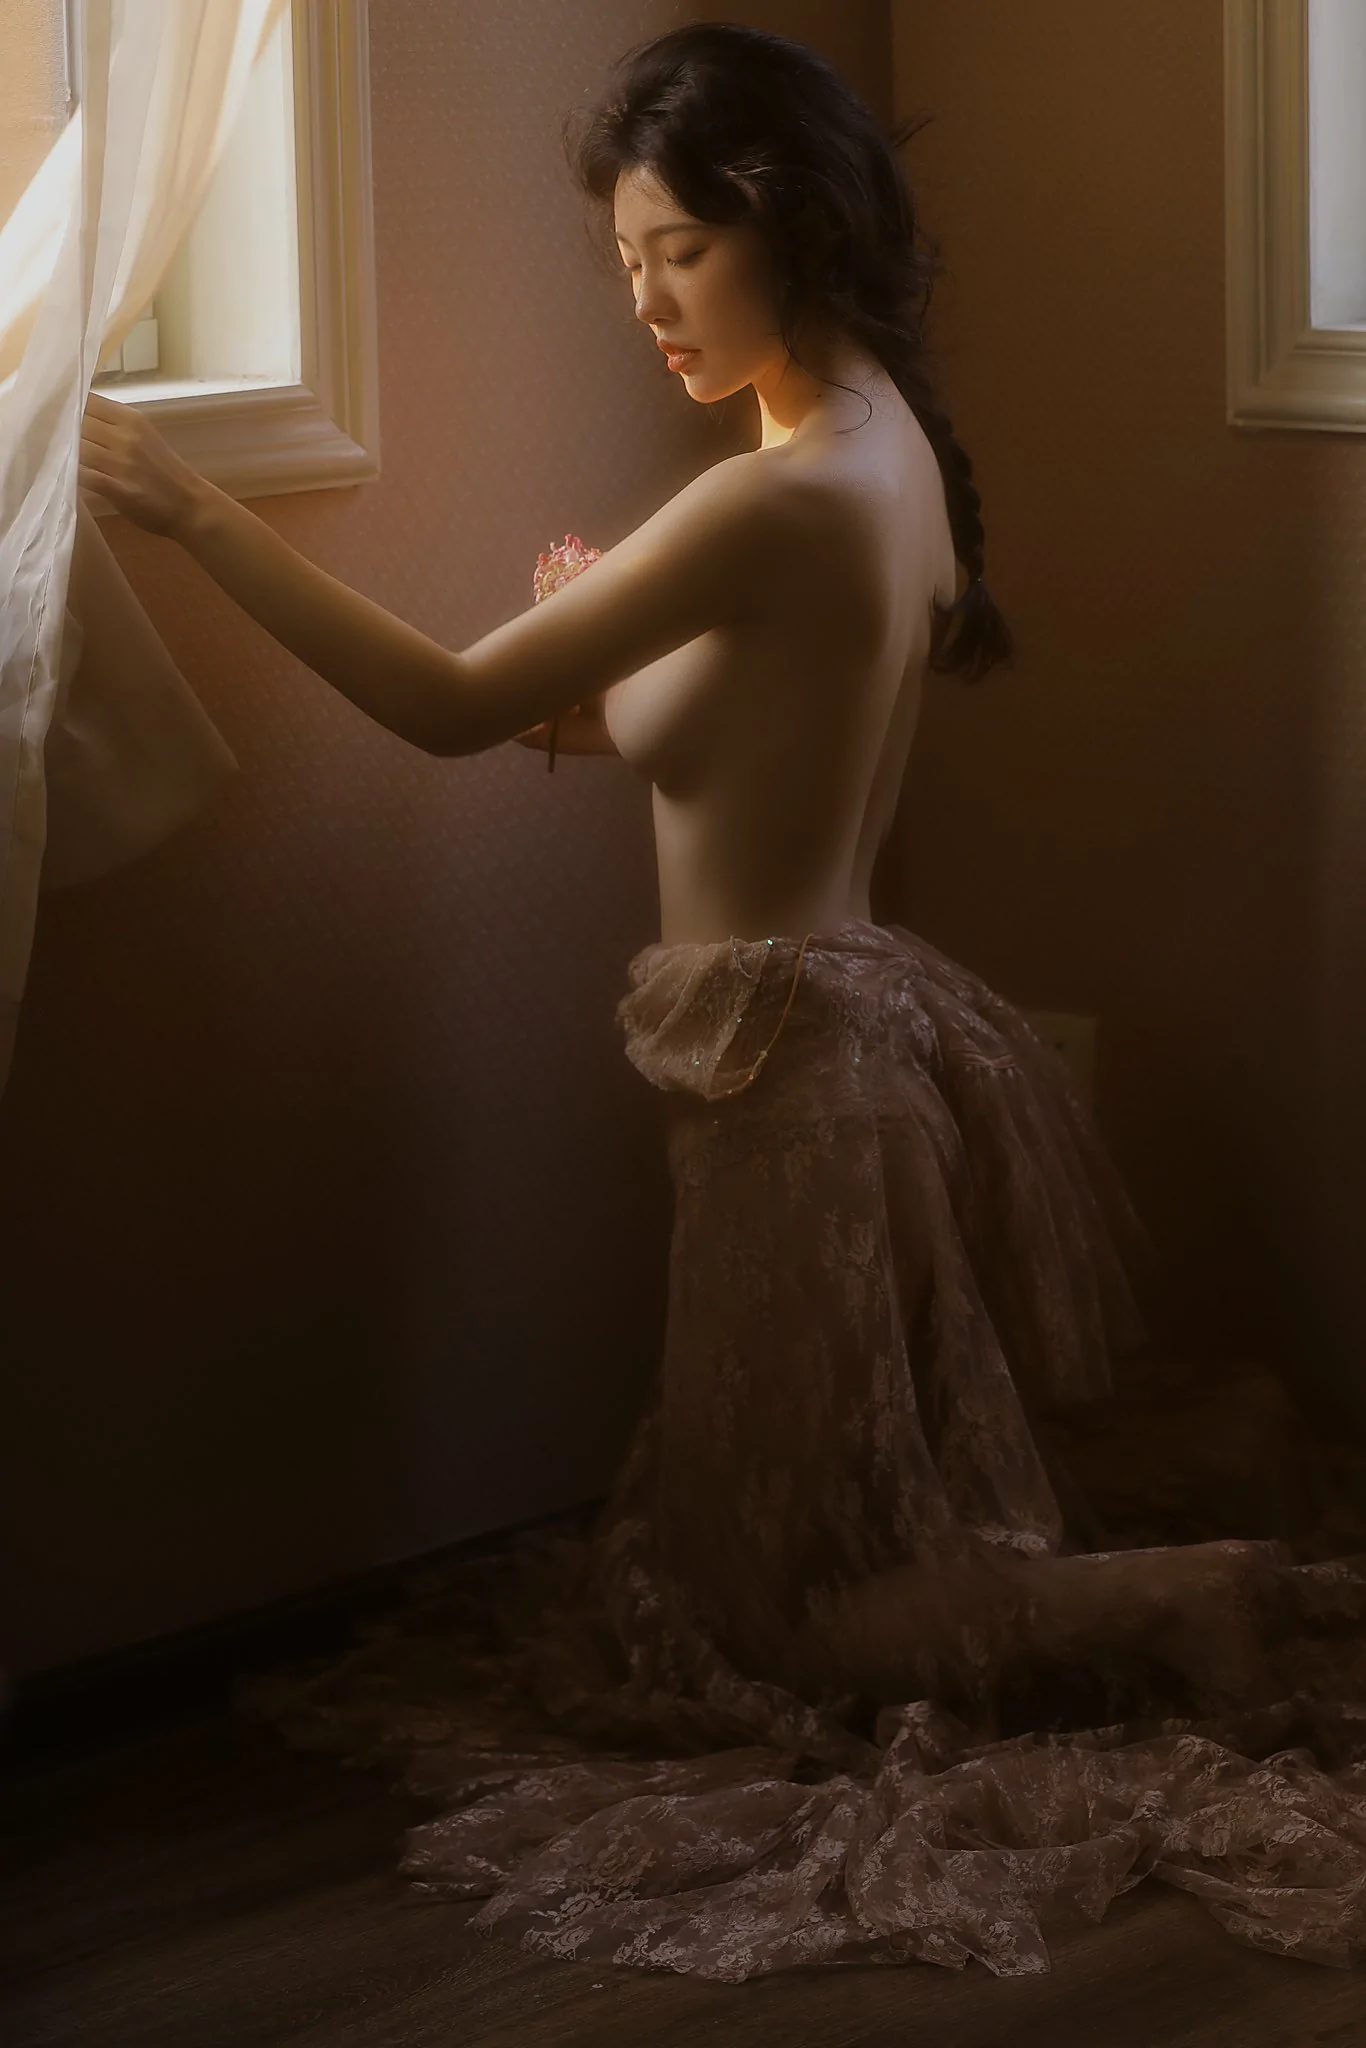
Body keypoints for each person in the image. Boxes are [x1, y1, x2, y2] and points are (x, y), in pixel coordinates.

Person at [78, 22, 1366, 1987]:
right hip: (828, 1046)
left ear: (792, 222)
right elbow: (716, 726)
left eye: (679, 250)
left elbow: (443, 707)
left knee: (784, 1616)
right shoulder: (862, 445)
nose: (645, 301)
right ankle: (1190, 1488)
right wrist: (596, 664)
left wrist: (189, 509)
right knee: (789, 1539)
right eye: (623, 259)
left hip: (797, 1098)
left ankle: (1193, 1588)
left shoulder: (774, 497)